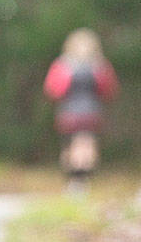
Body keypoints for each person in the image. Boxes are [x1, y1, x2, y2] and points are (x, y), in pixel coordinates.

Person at [43, 29, 117, 191]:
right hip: (69, 112)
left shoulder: (99, 65)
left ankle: (83, 179)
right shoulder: (63, 64)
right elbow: (52, 89)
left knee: (87, 145)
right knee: (70, 147)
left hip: (91, 112)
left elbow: (109, 89)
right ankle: (73, 178)